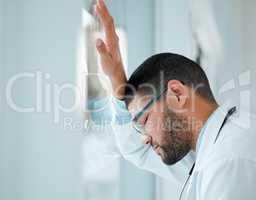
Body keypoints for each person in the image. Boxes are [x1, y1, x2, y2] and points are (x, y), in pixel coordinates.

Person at [88, 0, 256, 199]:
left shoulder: (228, 160)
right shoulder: (208, 147)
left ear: (177, 94)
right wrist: (117, 81)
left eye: (144, 121)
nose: (145, 138)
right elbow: (136, 149)